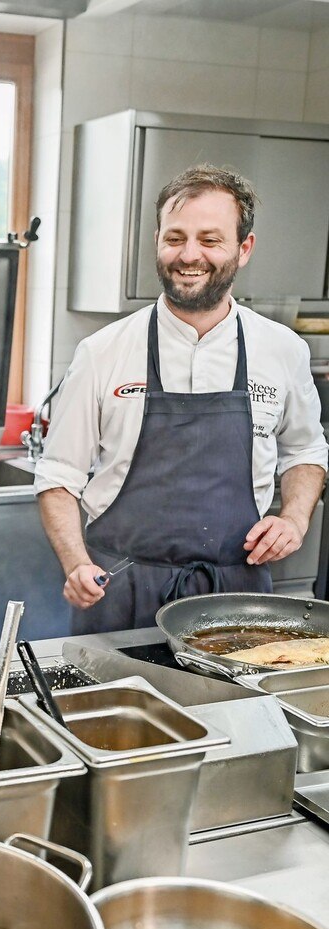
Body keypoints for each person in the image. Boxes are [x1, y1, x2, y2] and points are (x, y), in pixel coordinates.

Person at [35, 163, 327, 634]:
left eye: (210, 240)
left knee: (230, 709)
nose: (189, 255)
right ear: (157, 241)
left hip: (238, 594)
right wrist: (75, 562)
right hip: (121, 591)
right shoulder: (103, 352)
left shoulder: (283, 350)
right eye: (175, 238)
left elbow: (306, 451)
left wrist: (293, 518)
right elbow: (58, 475)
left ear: (244, 248)